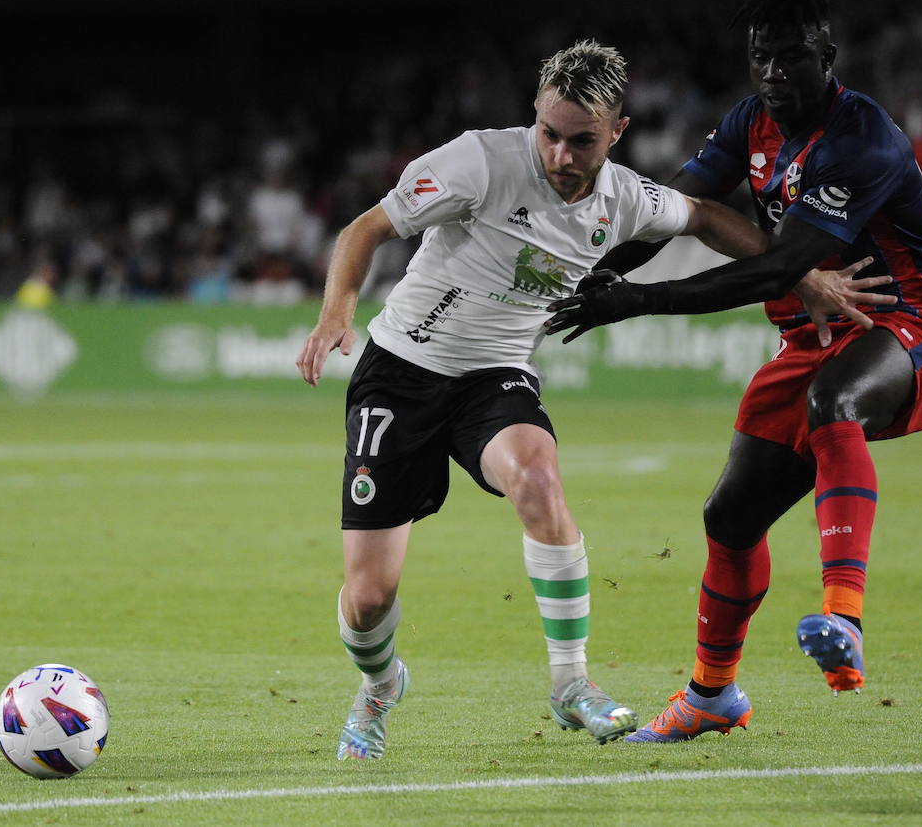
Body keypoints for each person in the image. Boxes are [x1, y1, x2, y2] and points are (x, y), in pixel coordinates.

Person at [296, 39, 882, 760]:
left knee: (537, 474)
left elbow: (702, 216)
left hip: (495, 377)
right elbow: (367, 228)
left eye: (581, 141)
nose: (560, 156)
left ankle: (571, 683)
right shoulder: (478, 161)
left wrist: (800, 276)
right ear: (533, 118)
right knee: (368, 600)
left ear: (617, 133)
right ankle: (381, 683)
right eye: (548, 133)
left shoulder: (626, 197)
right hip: (402, 372)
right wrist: (336, 313)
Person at [544, 0, 922, 742]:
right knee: (729, 518)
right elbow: (670, 210)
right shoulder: (749, 122)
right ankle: (711, 696)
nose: (773, 73)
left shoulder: (860, 136)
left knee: (834, 402)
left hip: (903, 324)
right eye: (761, 57)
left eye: (791, 57)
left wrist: (640, 303)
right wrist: (591, 272)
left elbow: (777, 269)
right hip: (810, 342)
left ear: (827, 56)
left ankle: (844, 617)